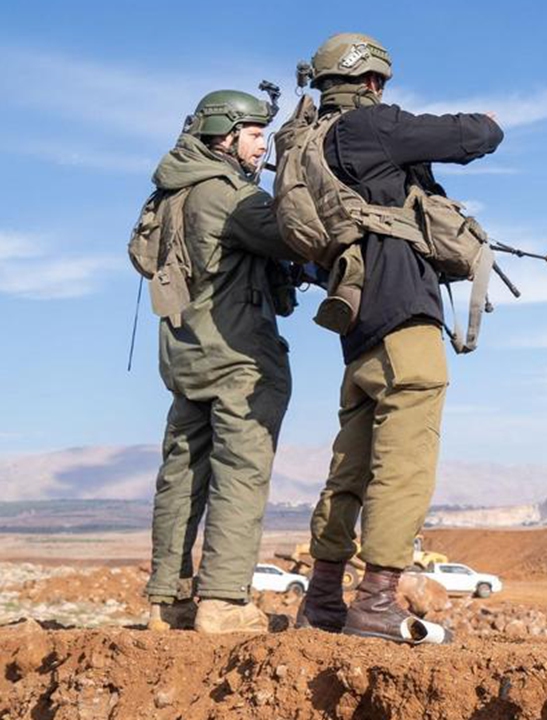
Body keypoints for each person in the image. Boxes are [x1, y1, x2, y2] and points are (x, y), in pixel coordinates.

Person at [294, 33, 503, 644]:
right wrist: (489, 124)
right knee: (404, 462)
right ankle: (377, 600)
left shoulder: (308, 149)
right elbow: (472, 137)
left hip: (355, 331)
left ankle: (323, 598)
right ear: (372, 82)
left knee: (350, 468)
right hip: (402, 319)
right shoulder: (369, 131)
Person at [143, 89, 301, 633]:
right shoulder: (229, 196)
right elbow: (294, 233)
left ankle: (169, 600)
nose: (264, 146)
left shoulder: (171, 193)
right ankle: (223, 601)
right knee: (240, 471)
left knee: (181, 476)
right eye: (256, 135)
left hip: (185, 357)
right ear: (224, 135)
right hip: (237, 357)